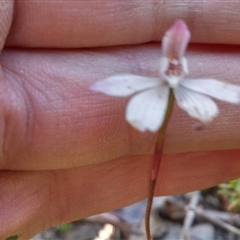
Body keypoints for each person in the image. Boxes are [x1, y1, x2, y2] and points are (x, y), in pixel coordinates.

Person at [1, 1, 240, 239]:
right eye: (170, 60)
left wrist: (201, 118)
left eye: (177, 61)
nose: (174, 64)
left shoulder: (198, 86)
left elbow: (213, 107)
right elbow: (108, 86)